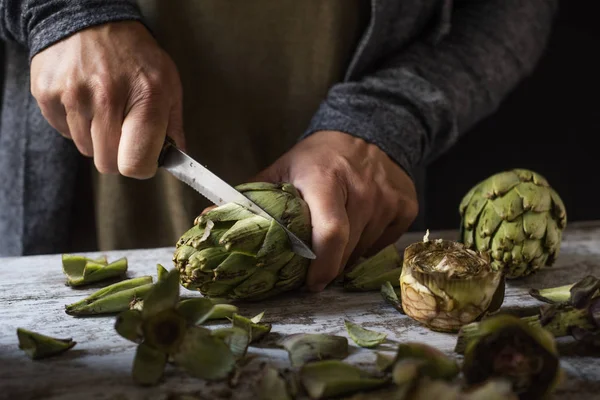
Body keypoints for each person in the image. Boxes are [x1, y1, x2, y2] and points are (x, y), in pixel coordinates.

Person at [0, 0, 558, 292]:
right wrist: (62, 9)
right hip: (78, 213)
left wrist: (387, 118)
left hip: (350, 213)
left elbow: (514, 9)